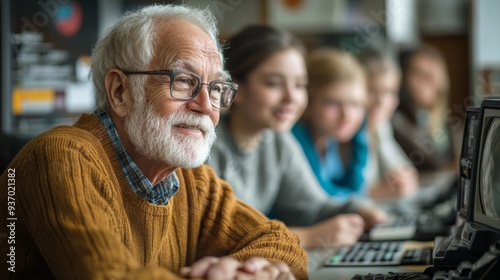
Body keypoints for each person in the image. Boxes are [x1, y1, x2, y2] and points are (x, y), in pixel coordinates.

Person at [0, 5, 307, 280]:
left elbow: (284, 244)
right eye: (184, 81)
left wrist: (239, 271)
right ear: (120, 91)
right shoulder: (63, 157)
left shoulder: (193, 181)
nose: (206, 105)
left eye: (215, 87)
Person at [207, 25, 386, 248]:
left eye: (300, 85)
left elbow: (315, 208)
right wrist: (308, 237)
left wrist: (363, 211)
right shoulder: (207, 147)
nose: (292, 97)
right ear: (235, 88)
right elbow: (217, 240)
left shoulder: (277, 141)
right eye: (273, 83)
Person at [292, 48, 370, 201]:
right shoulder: (295, 139)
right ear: (307, 101)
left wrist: (360, 132)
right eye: (333, 103)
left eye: (356, 104)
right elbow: (322, 198)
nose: (347, 115)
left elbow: (355, 188)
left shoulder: (329, 140)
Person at [358, 50, 419, 201]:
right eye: (372, 90)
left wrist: (404, 181)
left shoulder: (380, 127)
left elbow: (405, 173)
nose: (381, 101)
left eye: (389, 92)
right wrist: (374, 193)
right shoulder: (345, 132)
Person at [392, 45, 460, 174]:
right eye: (419, 74)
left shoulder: (448, 122)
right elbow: (432, 164)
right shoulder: (398, 120)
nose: (426, 82)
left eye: (431, 76)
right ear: (405, 77)